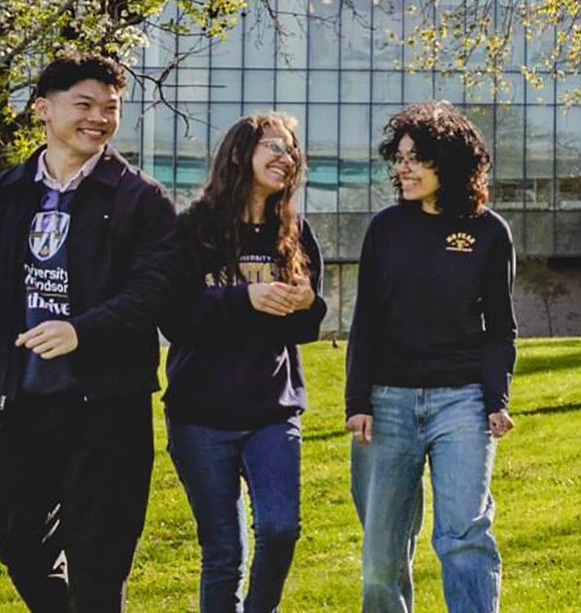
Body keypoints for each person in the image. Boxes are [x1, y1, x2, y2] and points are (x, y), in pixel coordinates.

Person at [0, 53, 179, 612]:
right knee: (15, 541)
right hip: (24, 404)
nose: (100, 118)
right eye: (84, 105)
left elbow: (154, 292)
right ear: (44, 109)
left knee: (98, 564)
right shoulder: (1, 197)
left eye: (110, 108)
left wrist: (81, 331)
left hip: (108, 410)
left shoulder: (142, 199)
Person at [346, 100, 517, 613]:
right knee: (380, 556)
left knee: (463, 535)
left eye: (416, 157)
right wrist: (358, 401)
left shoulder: (489, 232)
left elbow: (500, 328)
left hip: (462, 401)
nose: (403, 168)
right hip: (387, 401)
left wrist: (496, 398)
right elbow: (366, 322)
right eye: (398, 158)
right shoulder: (385, 229)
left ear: (451, 162)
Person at [160, 113, 325, 613]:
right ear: (239, 155)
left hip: (272, 411)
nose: (286, 157)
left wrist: (306, 306)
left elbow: (308, 326)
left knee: (281, 529)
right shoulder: (192, 228)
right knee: (223, 552)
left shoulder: (295, 231)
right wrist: (245, 298)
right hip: (200, 416)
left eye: (292, 149)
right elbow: (176, 320)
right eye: (274, 146)